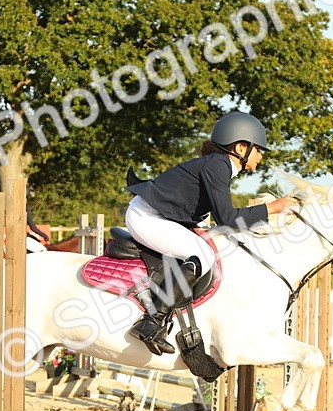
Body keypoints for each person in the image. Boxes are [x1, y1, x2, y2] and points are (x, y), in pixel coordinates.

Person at [123, 111, 298, 355]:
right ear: (240, 147)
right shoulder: (219, 165)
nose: (260, 156)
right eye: (258, 149)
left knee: (205, 251)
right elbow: (225, 218)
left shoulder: (219, 166)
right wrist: (272, 208)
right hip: (146, 217)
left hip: (156, 215)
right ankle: (151, 322)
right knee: (199, 257)